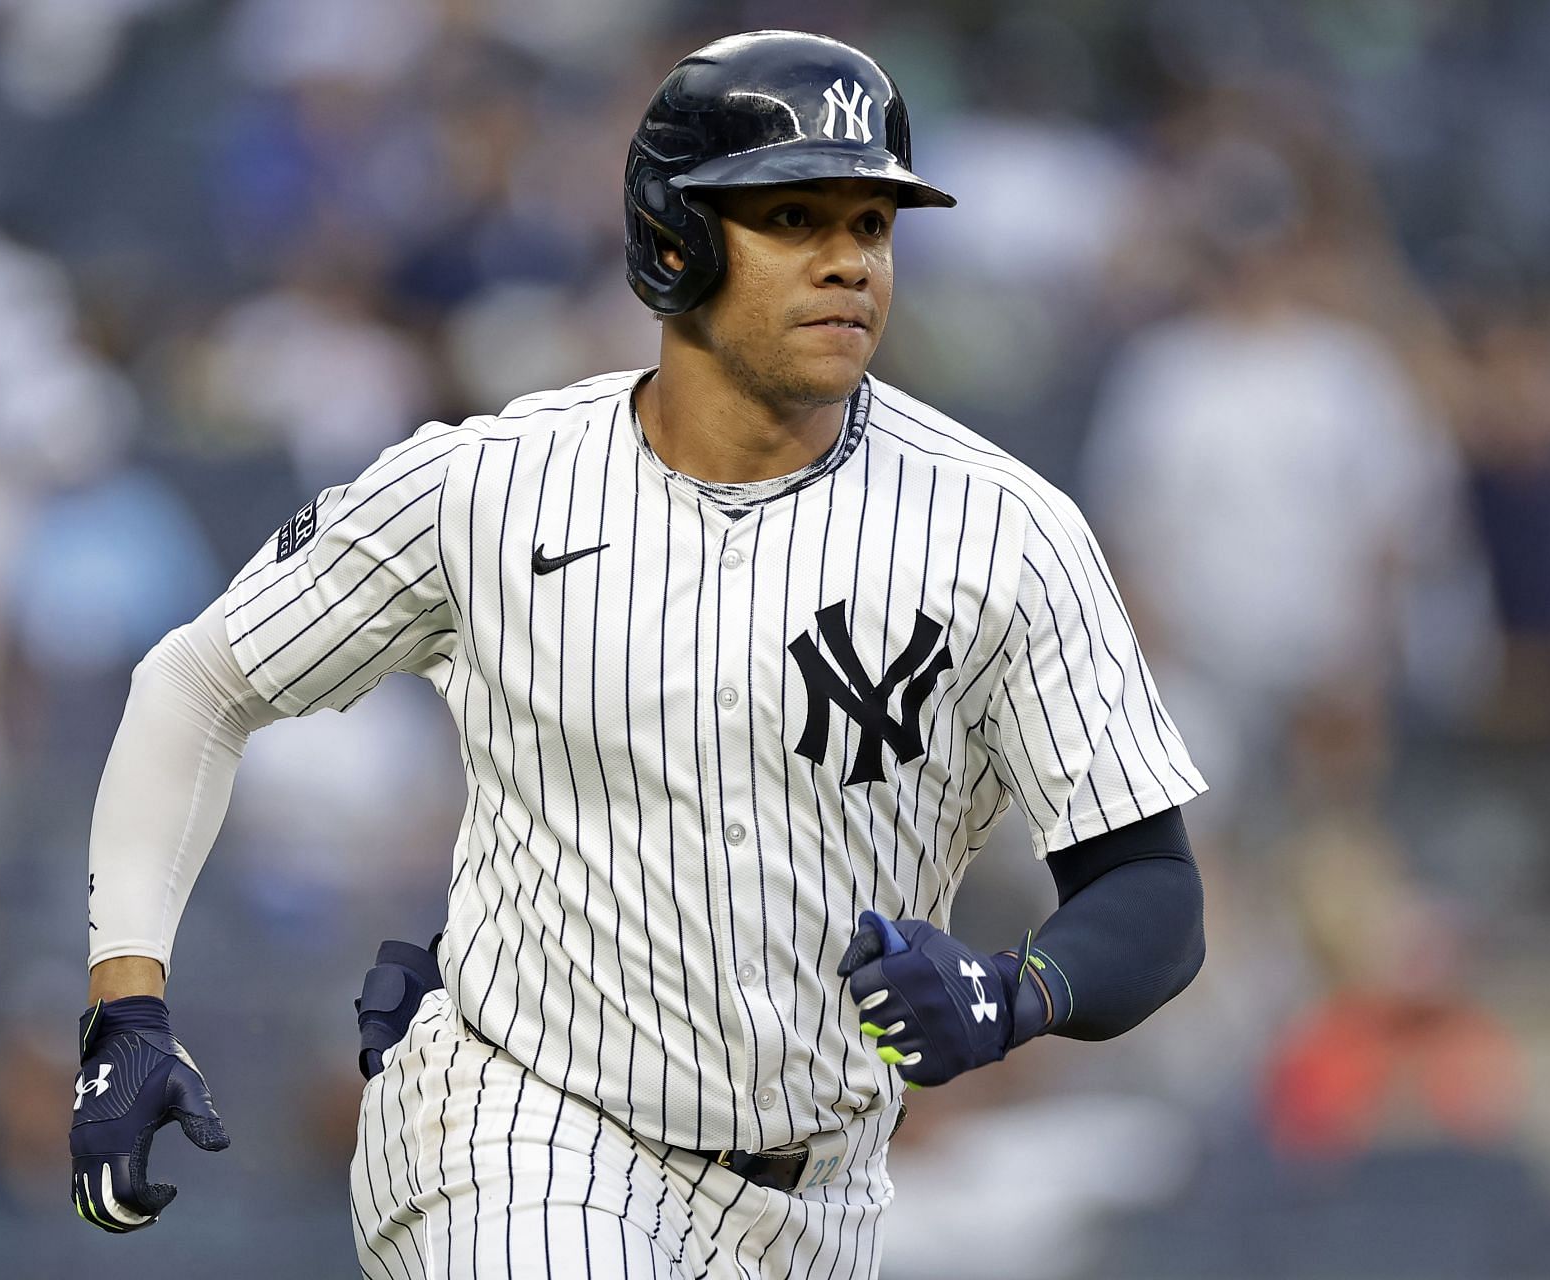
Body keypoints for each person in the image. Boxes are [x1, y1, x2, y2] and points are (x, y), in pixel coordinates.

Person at [69, 30, 1209, 1279]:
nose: (849, 261)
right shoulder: (489, 484)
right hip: (517, 1128)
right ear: (676, 242)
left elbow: (1152, 891)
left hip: (819, 1204)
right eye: (793, 215)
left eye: (872, 223)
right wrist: (128, 1001)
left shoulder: (1006, 531)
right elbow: (198, 680)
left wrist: (1016, 991)